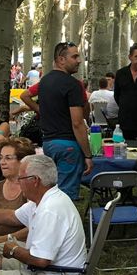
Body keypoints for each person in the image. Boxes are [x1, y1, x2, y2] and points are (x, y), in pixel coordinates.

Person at [0, 155, 87, 275]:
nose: (18, 182)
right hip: (53, 269)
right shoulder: (47, 198)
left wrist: (14, 250)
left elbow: (40, 261)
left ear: (35, 180)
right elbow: (12, 217)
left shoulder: (49, 210)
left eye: (20, 178)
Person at [37, 41, 92, 201]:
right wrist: (88, 155)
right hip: (67, 145)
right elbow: (78, 123)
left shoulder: (44, 82)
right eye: (74, 57)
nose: (79, 60)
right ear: (61, 60)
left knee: (52, 194)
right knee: (65, 198)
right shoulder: (73, 85)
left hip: (48, 143)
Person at [0, 137, 35, 262]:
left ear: (22, 162)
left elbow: (33, 227)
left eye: (8, 158)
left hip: (16, 243)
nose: (2, 162)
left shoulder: (29, 189)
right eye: (0, 158)